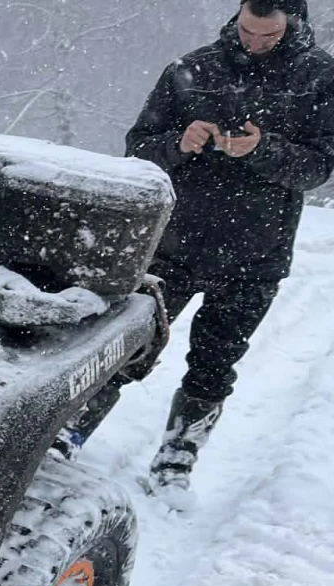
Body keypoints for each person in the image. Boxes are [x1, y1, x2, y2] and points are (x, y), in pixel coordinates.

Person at [122, 0, 334, 493]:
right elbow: (137, 148)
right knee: (123, 347)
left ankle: (177, 459)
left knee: (214, 365)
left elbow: (321, 168)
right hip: (171, 247)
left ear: (293, 24)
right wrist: (177, 143)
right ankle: (70, 433)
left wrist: (264, 149)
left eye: (268, 36)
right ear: (236, 17)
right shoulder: (192, 69)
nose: (254, 43)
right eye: (246, 31)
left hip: (255, 258)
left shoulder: (322, 78)